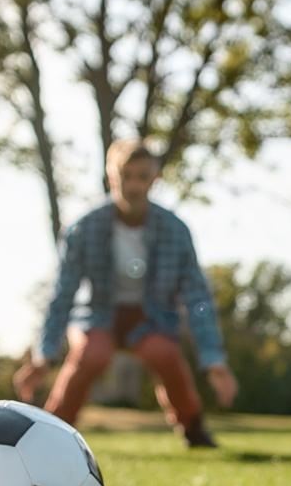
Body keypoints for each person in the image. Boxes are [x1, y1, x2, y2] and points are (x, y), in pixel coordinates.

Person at [14, 140, 238, 447]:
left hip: (150, 317)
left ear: (154, 179)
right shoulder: (83, 228)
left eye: (142, 177)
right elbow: (62, 294)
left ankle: (193, 428)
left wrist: (215, 361)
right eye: (126, 176)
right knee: (92, 355)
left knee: (165, 353)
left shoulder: (175, 230)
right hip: (97, 315)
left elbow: (197, 298)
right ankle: (52, 432)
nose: (133, 185)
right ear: (111, 177)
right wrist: (44, 355)